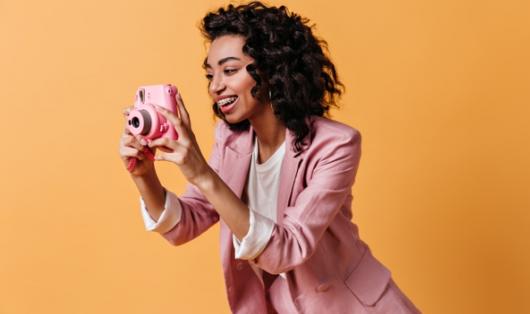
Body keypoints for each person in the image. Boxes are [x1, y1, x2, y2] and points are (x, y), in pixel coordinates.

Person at [119, 2, 420, 313]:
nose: (215, 86)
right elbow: (185, 225)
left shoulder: (336, 145)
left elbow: (286, 249)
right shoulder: (231, 140)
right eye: (211, 74)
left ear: (273, 69)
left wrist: (201, 172)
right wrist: (144, 175)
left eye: (230, 70)